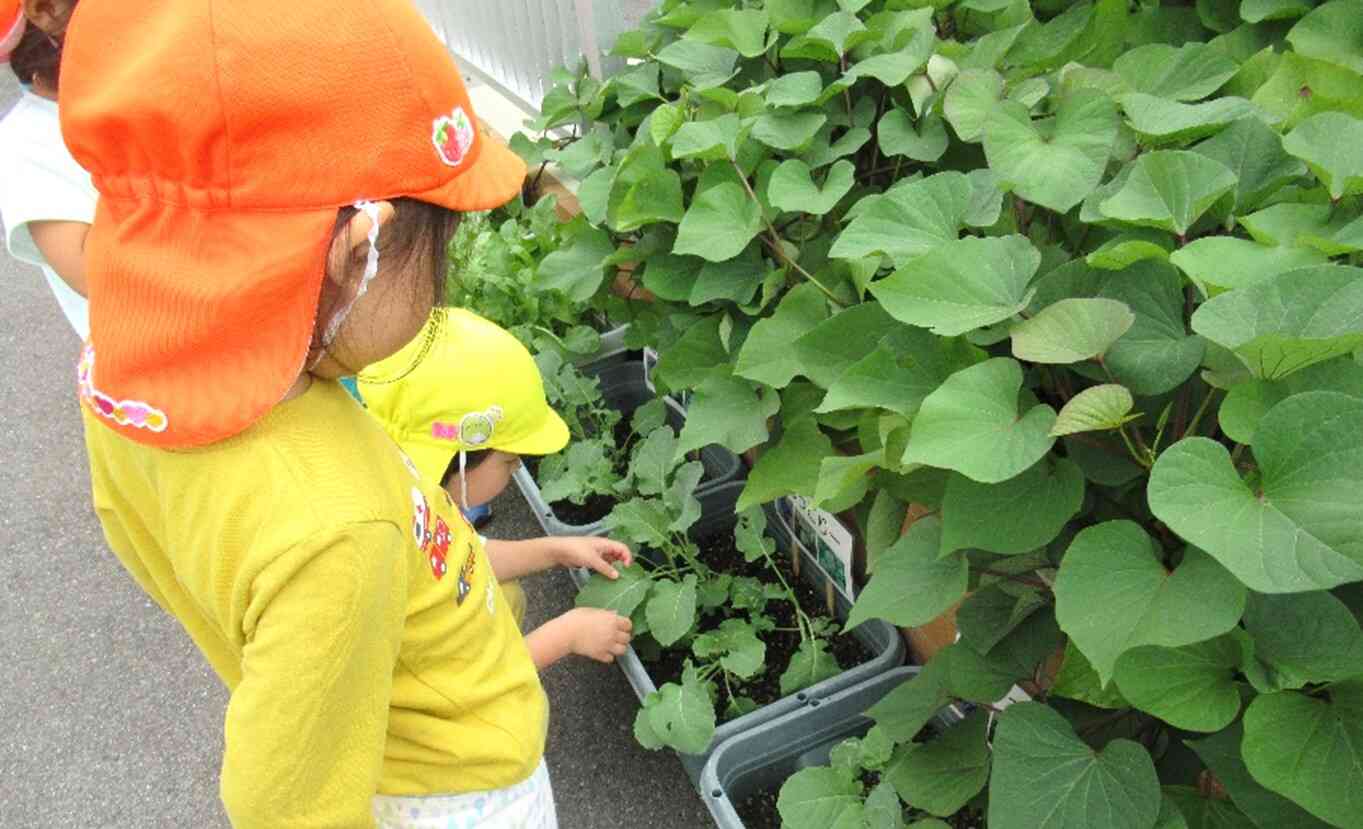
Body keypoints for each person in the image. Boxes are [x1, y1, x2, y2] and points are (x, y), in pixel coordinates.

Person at [61, 0, 625, 825]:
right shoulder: (335, 530)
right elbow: (284, 800)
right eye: (444, 248)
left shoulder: (120, 377)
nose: (444, 280)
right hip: (458, 795)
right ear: (357, 251)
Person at [358, 307, 636, 659]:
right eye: (509, 460)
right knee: (500, 607)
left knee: (505, 596)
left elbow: (462, 553)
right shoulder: (383, 559)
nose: (517, 467)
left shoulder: (408, 485)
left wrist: (557, 551)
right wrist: (565, 636)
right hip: (438, 697)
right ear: (459, 453)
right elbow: (461, 688)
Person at [0, 0, 95, 339]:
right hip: (160, 371)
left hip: (253, 334)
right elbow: (92, 275)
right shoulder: (25, 145)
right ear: (47, 9)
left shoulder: (163, 87)